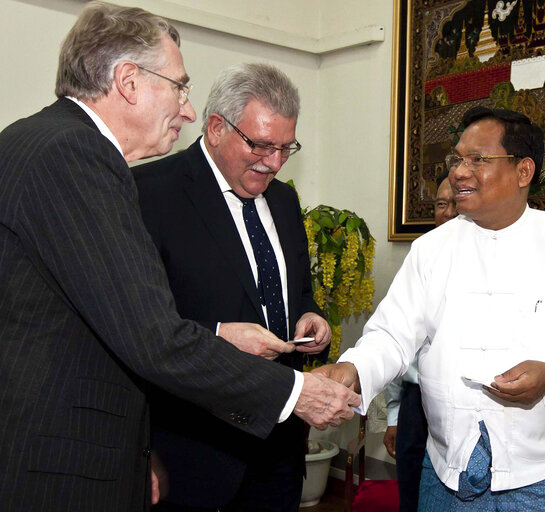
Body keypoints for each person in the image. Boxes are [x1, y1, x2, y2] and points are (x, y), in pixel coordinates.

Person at [0, 4, 359, 511]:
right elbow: (152, 339)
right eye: (179, 87)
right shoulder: (75, 156)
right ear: (128, 80)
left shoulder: (37, 142)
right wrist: (292, 392)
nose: (187, 110)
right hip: (63, 464)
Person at [315, 106, 545, 511]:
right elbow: (391, 334)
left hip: (542, 477)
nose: (459, 171)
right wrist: (352, 369)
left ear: (523, 172)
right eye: (457, 158)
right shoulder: (430, 251)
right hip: (445, 472)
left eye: (478, 160)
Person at [133, 63, 330, 512]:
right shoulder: (149, 193)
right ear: (217, 127)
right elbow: (136, 329)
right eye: (261, 145)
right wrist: (220, 332)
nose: (274, 163)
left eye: (286, 148)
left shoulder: (283, 199)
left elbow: (294, 289)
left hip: (280, 442)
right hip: (195, 452)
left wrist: (310, 314)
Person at [383, 175, 457, 512]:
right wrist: (394, 415)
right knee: (412, 494)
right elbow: (396, 340)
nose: (448, 212)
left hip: (464, 400)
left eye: (457, 202)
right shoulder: (421, 256)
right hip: (416, 402)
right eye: (442, 204)